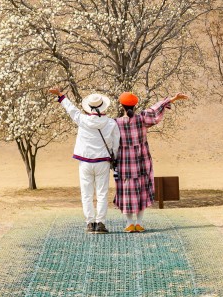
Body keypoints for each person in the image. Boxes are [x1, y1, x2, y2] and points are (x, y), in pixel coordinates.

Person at [48, 87, 120, 234]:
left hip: (85, 161)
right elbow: (116, 143)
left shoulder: (82, 120)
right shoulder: (111, 123)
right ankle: (101, 223)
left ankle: (90, 222)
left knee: (86, 193)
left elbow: (71, 109)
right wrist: (115, 158)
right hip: (103, 161)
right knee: (102, 193)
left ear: (89, 107)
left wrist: (61, 96)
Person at [114, 91, 188, 232]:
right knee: (142, 189)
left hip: (124, 162)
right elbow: (156, 109)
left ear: (121, 105)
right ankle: (140, 223)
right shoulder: (142, 118)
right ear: (135, 105)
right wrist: (172, 98)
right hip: (142, 160)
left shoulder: (115, 123)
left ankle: (129, 223)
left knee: (127, 191)